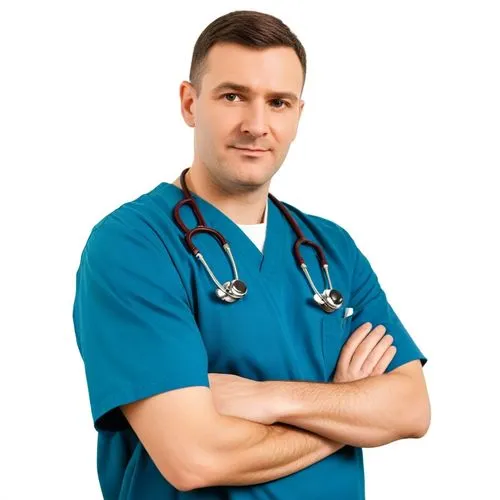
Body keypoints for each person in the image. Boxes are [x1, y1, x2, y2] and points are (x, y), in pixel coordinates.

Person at [72, 9, 430, 500]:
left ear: (298, 115)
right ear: (190, 102)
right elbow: (195, 457)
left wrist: (266, 398)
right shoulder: (133, 245)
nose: (257, 125)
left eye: (278, 102)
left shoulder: (331, 248)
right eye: (233, 96)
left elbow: (410, 408)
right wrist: (347, 411)